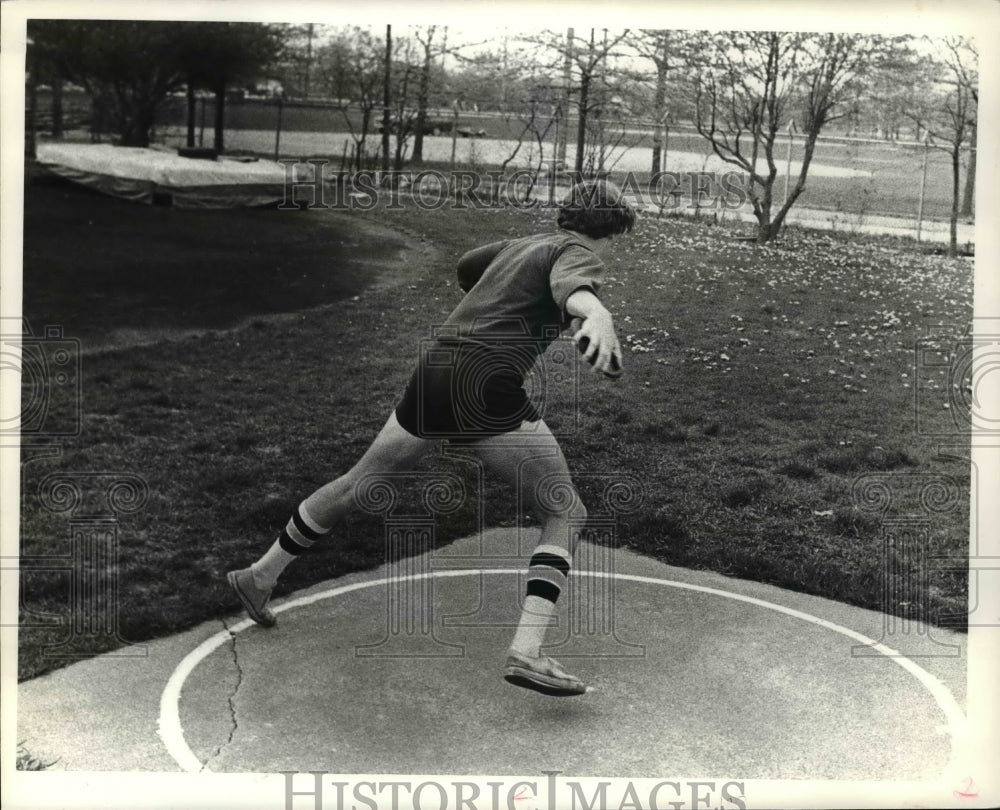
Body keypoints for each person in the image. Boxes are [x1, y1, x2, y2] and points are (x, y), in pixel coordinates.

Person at [228, 179, 636, 696]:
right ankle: (527, 652)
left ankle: (259, 577)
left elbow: (468, 266)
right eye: (616, 241)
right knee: (566, 511)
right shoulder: (579, 252)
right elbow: (576, 291)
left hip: (437, 368)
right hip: (484, 381)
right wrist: (596, 312)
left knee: (359, 482)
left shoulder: (520, 246)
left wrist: (497, 302)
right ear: (608, 233)